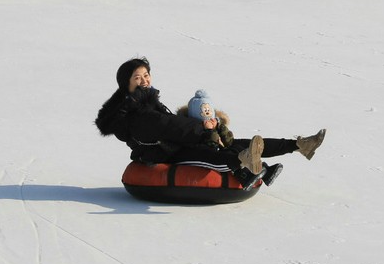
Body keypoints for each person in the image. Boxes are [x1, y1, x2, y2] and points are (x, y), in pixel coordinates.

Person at [95, 57, 326, 190]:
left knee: (238, 142)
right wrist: (202, 130)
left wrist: (206, 127)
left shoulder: (146, 102)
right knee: (215, 155)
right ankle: (247, 165)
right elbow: (166, 126)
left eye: (146, 75)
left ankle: (299, 145)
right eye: (138, 77)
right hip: (166, 155)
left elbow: (170, 124)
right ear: (127, 84)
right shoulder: (134, 112)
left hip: (177, 144)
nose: (144, 80)